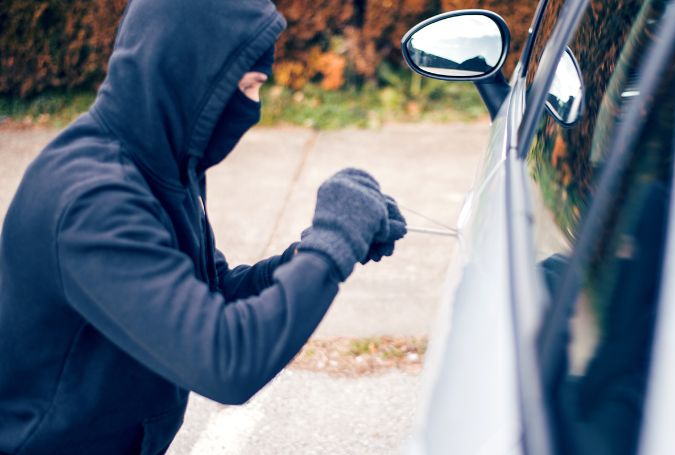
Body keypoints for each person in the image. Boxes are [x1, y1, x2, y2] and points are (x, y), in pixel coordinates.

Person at [0, 0, 406, 453]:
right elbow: (227, 362)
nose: (253, 108)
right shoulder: (93, 201)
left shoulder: (163, 167)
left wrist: (306, 255)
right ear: (190, 74)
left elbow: (211, 295)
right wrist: (333, 244)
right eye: (247, 87)